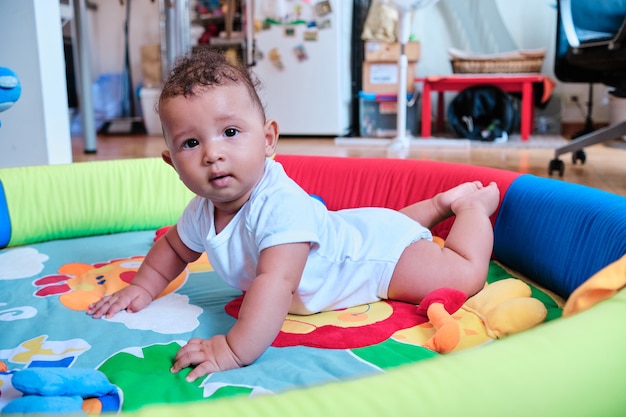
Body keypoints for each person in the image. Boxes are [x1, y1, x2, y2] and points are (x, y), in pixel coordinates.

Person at [88, 49, 500, 382]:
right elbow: (172, 248)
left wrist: (232, 348)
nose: (213, 153)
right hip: (356, 229)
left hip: (375, 262)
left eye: (230, 132)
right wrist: (140, 288)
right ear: (171, 161)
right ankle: (435, 206)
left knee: (462, 275)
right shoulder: (202, 211)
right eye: (191, 142)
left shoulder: (279, 205)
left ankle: (468, 207)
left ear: (267, 139)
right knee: (384, 224)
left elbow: (276, 282)